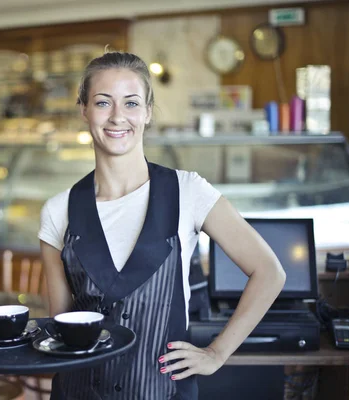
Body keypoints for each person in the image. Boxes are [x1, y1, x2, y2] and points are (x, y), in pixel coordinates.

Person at [38, 51, 286, 400]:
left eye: (132, 103)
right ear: (83, 110)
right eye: (103, 102)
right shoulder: (57, 211)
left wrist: (217, 353)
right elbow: (62, 325)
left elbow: (270, 272)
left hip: (164, 392)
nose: (118, 117)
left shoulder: (188, 191)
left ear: (148, 112)